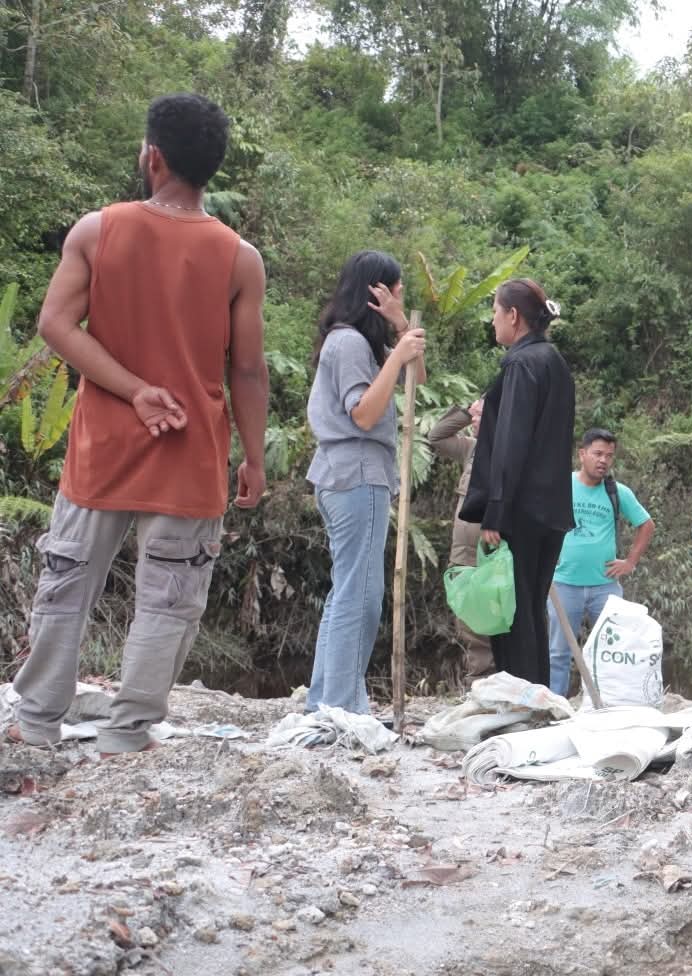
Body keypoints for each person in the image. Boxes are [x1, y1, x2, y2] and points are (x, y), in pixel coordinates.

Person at [6, 94, 268, 755]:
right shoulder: (239, 258)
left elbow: (56, 326)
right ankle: (127, 734)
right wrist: (255, 458)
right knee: (170, 598)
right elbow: (248, 371)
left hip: (102, 447)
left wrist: (133, 390)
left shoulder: (97, 231)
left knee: (66, 585)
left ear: (152, 158)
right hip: (192, 452)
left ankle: (36, 722)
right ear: (207, 170)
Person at [302, 250, 426, 715]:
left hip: (349, 474)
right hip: (355, 472)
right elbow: (363, 412)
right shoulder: (350, 343)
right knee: (360, 594)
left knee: (349, 589)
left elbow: (418, 379)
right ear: (376, 291)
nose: (401, 296)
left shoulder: (359, 344)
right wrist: (396, 353)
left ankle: (326, 700)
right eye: (396, 289)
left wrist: (399, 330)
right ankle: (343, 704)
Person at [460, 279, 575, 687]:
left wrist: (496, 511)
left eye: (495, 310)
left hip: (520, 510)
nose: (492, 319)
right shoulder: (554, 362)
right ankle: (536, 701)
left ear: (513, 316)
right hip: (551, 510)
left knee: (510, 614)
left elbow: (510, 443)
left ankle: (520, 704)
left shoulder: (521, 364)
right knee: (530, 611)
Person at [546, 428, 656, 697]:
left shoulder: (616, 492)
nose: (603, 460)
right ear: (582, 454)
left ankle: (608, 703)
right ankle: (554, 707)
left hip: (605, 587)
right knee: (559, 652)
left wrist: (630, 562)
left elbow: (646, 525)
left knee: (613, 651)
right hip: (563, 583)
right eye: (597, 454)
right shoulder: (560, 485)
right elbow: (538, 519)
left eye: (609, 455)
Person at [430, 399, 496, 680]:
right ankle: (477, 680)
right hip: (463, 554)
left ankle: (495, 677)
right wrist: (467, 414)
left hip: (493, 552)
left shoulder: (506, 450)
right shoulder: (470, 449)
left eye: (483, 415)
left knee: (494, 614)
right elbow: (436, 436)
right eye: (476, 416)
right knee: (468, 617)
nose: (476, 421)